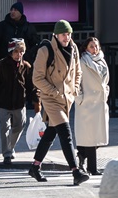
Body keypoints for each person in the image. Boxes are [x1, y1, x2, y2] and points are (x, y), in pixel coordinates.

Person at [30, 21, 89, 185]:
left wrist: (75, 88)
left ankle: (35, 166)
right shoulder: (45, 50)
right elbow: (37, 78)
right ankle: (76, 171)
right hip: (51, 98)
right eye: (63, 34)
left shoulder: (74, 48)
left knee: (51, 133)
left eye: (69, 34)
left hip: (66, 98)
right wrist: (53, 91)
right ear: (56, 35)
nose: (67, 37)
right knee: (65, 132)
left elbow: (78, 71)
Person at [0, 39, 35, 165]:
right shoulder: (0, 65)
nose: (19, 54)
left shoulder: (26, 66)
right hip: (4, 102)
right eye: (16, 51)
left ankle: (10, 146)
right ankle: (7, 154)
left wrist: (36, 100)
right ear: (11, 52)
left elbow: (32, 86)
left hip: (19, 103)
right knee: (4, 127)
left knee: (20, 126)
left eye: (21, 52)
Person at [75, 36, 112, 176]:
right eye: (91, 46)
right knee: (90, 137)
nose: (95, 49)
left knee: (97, 137)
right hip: (87, 103)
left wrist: (106, 92)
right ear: (86, 48)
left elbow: (105, 81)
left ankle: (82, 155)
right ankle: (92, 167)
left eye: (96, 46)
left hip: (100, 102)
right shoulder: (82, 61)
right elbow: (76, 81)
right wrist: (80, 98)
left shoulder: (101, 60)